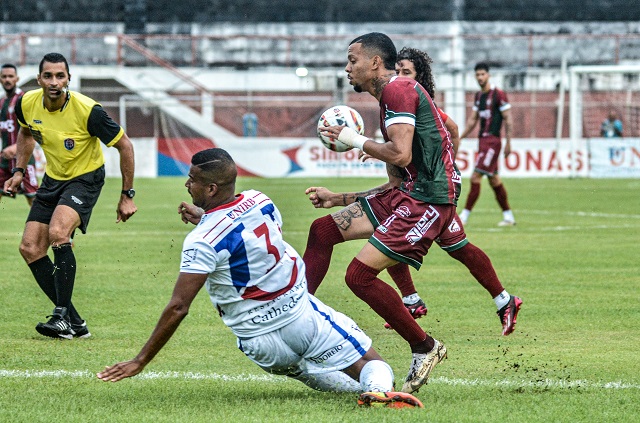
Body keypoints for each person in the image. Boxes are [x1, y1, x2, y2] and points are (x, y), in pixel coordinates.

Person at [97, 148, 423, 409]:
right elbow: (246, 236)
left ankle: (352, 389)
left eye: (192, 179)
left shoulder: (202, 239)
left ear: (210, 188)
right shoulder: (260, 200)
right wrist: (206, 218)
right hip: (299, 318)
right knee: (371, 363)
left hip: (258, 345)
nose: (187, 184)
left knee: (307, 369)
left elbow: (180, 305)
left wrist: (140, 361)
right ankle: (379, 392)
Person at [316, 33, 524, 393]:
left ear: (375, 63)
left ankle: (423, 345)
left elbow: (400, 154)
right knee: (322, 231)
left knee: (358, 276)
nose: (347, 68)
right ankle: (298, 308)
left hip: (427, 201)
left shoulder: (398, 91)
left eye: (352, 60)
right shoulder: (389, 100)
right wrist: (340, 198)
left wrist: (353, 139)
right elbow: (396, 176)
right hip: (409, 195)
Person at [3, 52, 137, 339]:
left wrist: (127, 194)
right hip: (53, 178)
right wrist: (18, 171)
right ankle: (74, 321)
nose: (54, 82)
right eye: (48, 76)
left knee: (58, 232)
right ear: (38, 79)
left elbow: (124, 145)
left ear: (68, 79)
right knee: (29, 248)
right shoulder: (26, 103)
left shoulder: (89, 110)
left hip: (86, 178)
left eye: (60, 76)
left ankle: (61, 316)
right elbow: (26, 134)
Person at [458, 62, 515, 227]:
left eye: (483, 74)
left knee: (476, 176)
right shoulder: (479, 96)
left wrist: (509, 143)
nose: (480, 77)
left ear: (488, 75)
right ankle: (509, 216)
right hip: (482, 141)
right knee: (494, 179)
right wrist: (460, 137)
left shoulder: (498, 95)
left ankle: (464, 216)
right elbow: (472, 120)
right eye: (477, 75)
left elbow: (508, 119)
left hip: (493, 141)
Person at [0, 63, 38, 206]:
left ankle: (43, 228)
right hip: (4, 161)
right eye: (4, 77)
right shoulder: (1, 102)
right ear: (0, 79)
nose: (7, 79)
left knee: (34, 200)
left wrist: (15, 148)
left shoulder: (24, 100)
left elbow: (34, 130)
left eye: (11, 76)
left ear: (17, 79)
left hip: (24, 160)